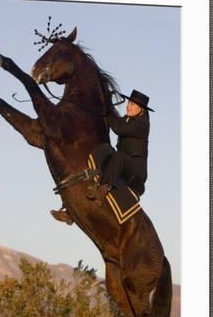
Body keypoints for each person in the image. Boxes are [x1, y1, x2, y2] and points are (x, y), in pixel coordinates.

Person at [50, 89, 153, 224]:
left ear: (142, 110)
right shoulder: (127, 119)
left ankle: (103, 189)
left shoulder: (141, 125)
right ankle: (69, 212)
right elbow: (116, 121)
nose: (129, 106)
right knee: (93, 170)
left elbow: (118, 128)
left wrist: (107, 107)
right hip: (122, 166)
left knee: (118, 157)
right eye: (129, 103)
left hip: (136, 173)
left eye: (133, 105)